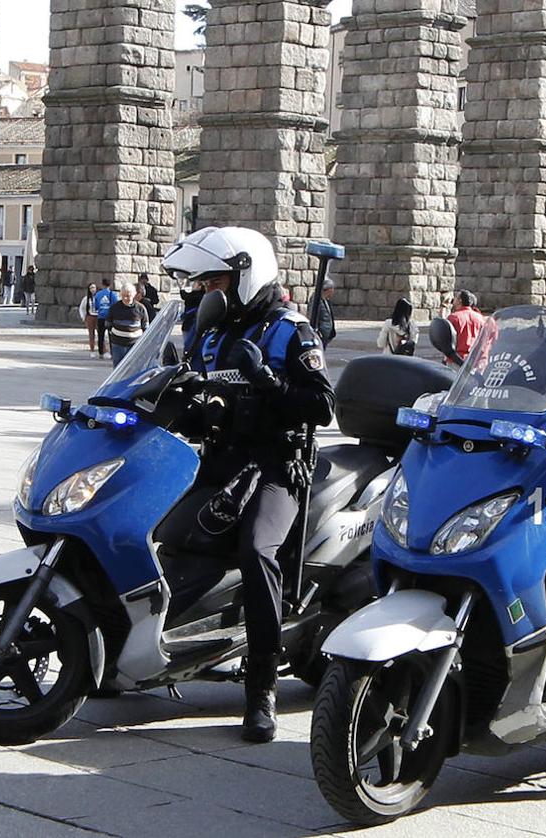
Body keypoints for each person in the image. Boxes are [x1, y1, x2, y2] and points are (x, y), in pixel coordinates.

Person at [162, 226, 335, 742]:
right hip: (221, 460)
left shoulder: (291, 330)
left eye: (213, 281)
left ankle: (262, 685)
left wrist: (270, 382)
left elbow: (322, 406)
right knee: (161, 529)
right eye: (201, 283)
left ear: (244, 273)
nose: (205, 292)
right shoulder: (212, 331)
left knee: (257, 549)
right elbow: (200, 395)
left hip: (277, 466)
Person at [105, 282, 149, 366]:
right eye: (123, 295)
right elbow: (108, 323)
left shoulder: (141, 308)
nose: (126, 298)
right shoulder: (114, 308)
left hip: (134, 344)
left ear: (133, 295)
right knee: (118, 368)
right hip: (117, 344)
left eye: (128, 295)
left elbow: (146, 327)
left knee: (134, 367)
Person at [445, 288, 485, 365]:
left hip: (456, 359)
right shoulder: (480, 318)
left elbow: (444, 338)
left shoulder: (454, 317)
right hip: (475, 360)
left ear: (460, 300)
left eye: (456, 297)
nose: (454, 299)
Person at [93, 278, 119, 360]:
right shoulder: (112, 294)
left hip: (101, 317)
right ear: (110, 285)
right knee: (111, 336)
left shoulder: (98, 294)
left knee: (101, 336)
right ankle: (112, 352)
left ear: (102, 284)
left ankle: (101, 352)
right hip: (110, 318)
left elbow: (96, 306)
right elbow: (116, 305)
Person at [308, 276, 337, 348]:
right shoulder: (316, 299)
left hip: (326, 335)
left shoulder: (326, 300)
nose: (333, 291)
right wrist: (316, 330)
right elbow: (312, 315)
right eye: (332, 289)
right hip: (320, 334)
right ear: (328, 289)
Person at [78, 283, 98, 356]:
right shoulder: (86, 298)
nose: (93, 289)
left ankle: (103, 350)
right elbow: (82, 308)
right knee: (91, 334)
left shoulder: (99, 297)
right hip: (90, 317)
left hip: (98, 317)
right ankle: (92, 350)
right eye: (91, 288)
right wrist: (84, 317)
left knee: (101, 334)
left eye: (94, 288)